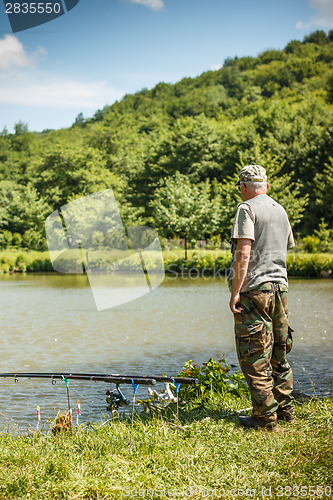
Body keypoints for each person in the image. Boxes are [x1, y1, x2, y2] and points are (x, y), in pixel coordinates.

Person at [228, 165, 295, 431]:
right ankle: (285, 410)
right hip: (281, 289)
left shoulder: (246, 209)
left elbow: (244, 253)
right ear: (266, 186)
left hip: (255, 290)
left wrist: (235, 292)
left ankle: (265, 418)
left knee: (254, 354)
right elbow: (284, 247)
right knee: (279, 351)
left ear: (243, 187)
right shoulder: (280, 210)